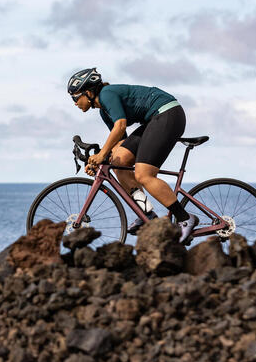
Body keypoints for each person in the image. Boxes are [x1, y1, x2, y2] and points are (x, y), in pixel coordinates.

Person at [67, 67, 199, 243]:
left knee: (143, 175)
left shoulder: (107, 94)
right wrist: (98, 161)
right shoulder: (103, 112)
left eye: (75, 97)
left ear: (89, 92)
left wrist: (102, 154)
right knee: (119, 162)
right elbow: (120, 143)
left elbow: (120, 125)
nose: (74, 102)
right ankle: (147, 215)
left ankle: (185, 218)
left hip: (167, 114)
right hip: (154, 120)